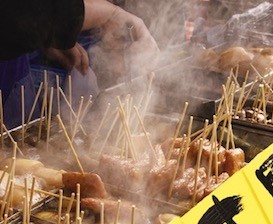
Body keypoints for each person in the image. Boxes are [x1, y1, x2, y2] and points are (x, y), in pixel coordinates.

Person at [0, 0, 159, 129]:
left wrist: (47, 37)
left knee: (19, 148)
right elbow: (16, 9)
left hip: (14, 70)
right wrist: (111, 14)